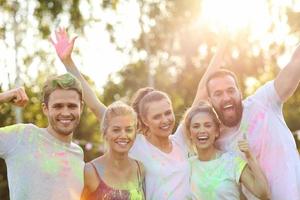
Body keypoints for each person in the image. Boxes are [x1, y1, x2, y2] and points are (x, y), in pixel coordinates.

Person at [51, 28, 226, 199]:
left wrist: (223, 45)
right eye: (157, 116)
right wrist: (68, 62)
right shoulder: (136, 143)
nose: (165, 120)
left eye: (167, 113)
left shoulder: (180, 140)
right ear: (144, 120)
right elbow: (96, 106)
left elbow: (203, 90)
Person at [201, 44, 300, 199]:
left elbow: (296, 63)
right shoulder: (215, 142)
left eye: (230, 90)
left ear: (239, 92)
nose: (226, 97)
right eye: (218, 94)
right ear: (210, 100)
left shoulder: (263, 101)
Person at [0, 74, 85, 200]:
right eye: (58, 106)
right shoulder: (22, 136)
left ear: (81, 107)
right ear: (45, 109)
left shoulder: (78, 153)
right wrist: (3, 97)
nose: (66, 113)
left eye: (72, 106)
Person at [183, 102, 270, 200]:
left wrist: (249, 156)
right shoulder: (187, 166)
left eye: (207, 125)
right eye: (196, 126)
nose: (202, 130)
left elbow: (263, 193)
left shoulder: (231, 161)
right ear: (189, 133)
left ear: (216, 131)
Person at [81, 101, 145, 200]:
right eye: (116, 130)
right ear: (105, 132)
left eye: (128, 130)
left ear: (135, 133)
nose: (123, 135)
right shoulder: (90, 171)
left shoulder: (140, 169)